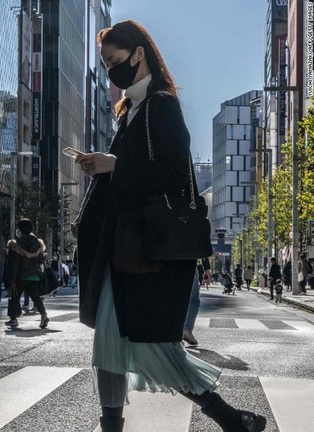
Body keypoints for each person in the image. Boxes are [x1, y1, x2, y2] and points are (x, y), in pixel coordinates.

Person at [74, 21, 265, 431]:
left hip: (148, 252)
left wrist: (115, 165)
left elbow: (175, 175)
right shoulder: (131, 109)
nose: (111, 71)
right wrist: (102, 166)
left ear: (138, 53)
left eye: (115, 61)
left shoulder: (161, 104)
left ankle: (231, 419)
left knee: (156, 348)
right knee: (108, 342)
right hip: (124, 249)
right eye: (106, 63)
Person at [3, 218, 49, 329]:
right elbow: (41, 261)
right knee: (36, 297)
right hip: (34, 275)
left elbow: (14, 264)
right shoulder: (38, 243)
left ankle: (13, 319)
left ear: (20, 229)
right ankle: (43, 315)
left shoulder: (16, 243)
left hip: (20, 276)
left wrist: (11, 279)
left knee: (14, 297)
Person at [182, 270, 201, 346]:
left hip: (169, 263)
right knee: (193, 300)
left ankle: (175, 333)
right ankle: (187, 329)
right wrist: (207, 269)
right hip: (189, 264)